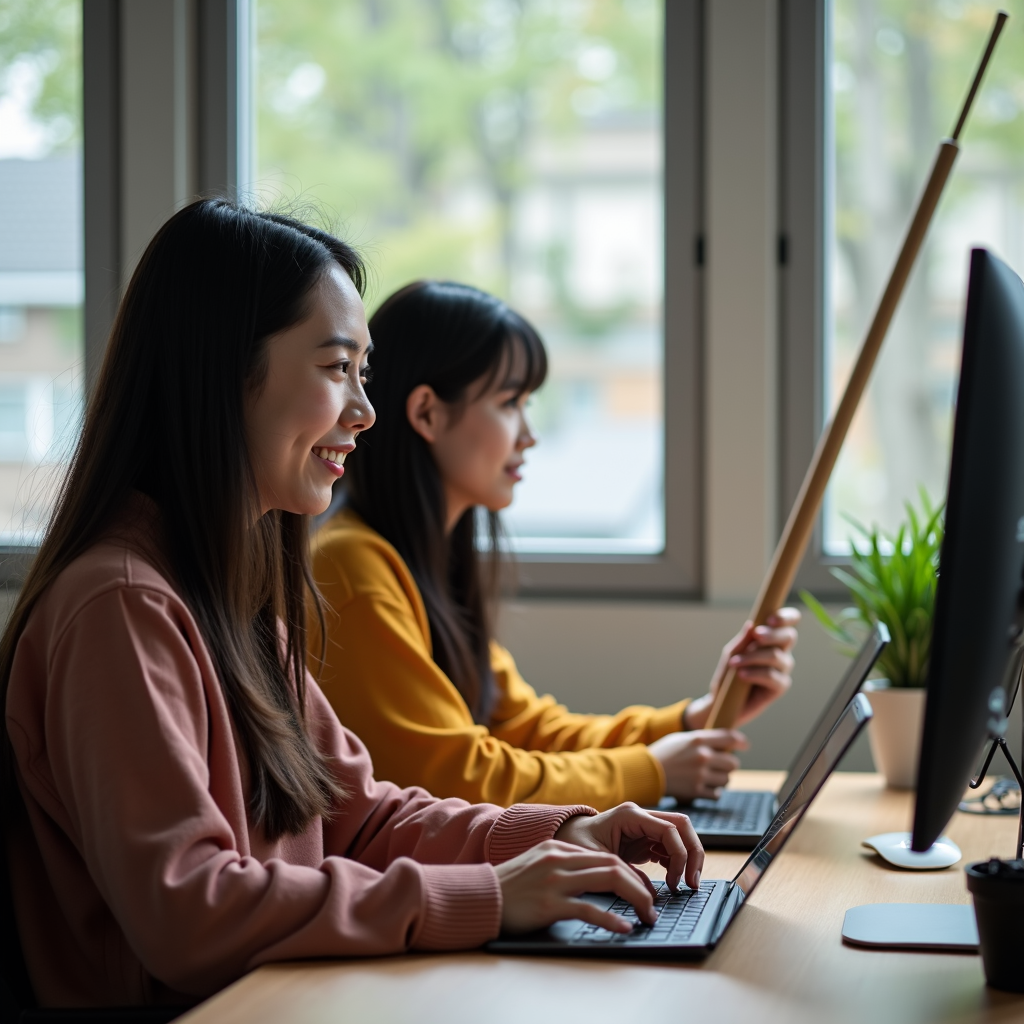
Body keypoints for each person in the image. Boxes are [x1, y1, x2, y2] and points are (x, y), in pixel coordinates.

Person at [0, 203, 703, 1010]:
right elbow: (188, 911)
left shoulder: (231, 597)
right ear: (222, 372)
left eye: (364, 374)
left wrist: (558, 832)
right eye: (338, 369)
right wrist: (488, 896)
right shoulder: (118, 605)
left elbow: (360, 818)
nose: (364, 411)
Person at [310, 280, 801, 811]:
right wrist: (654, 770)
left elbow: (525, 729)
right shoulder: (352, 567)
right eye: (509, 403)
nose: (529, 434)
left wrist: (695, 720)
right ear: (428, 413)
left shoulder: (421, 557)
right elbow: (459, 778)